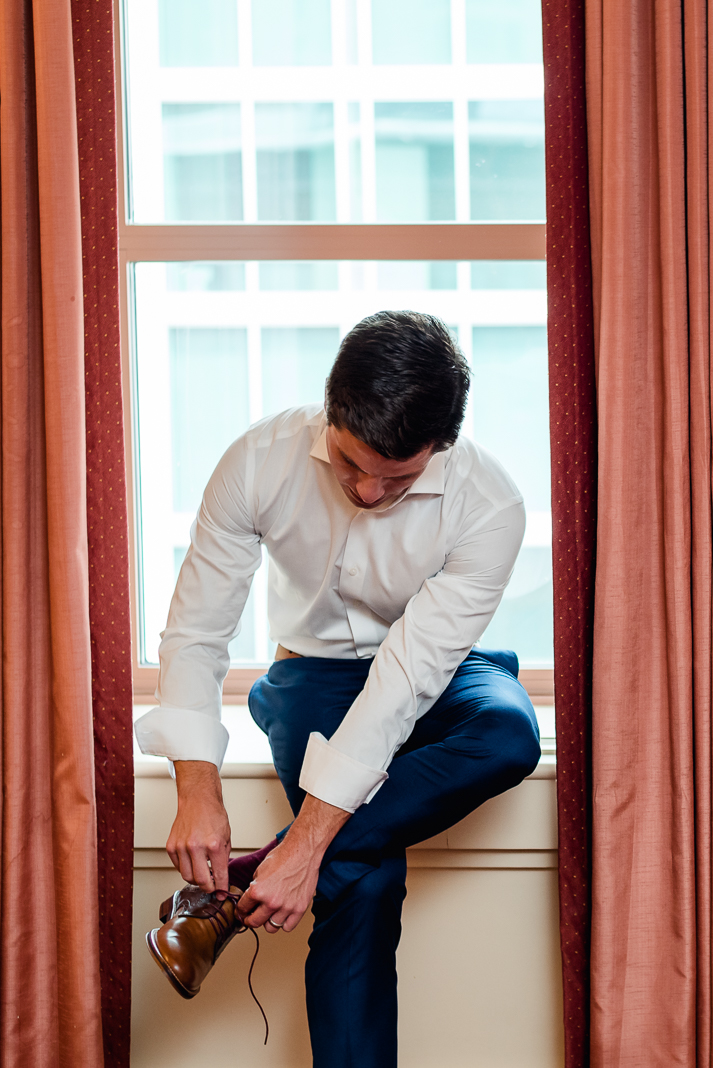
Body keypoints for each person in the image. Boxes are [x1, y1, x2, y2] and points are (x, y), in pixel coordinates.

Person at [136, 311, 541, 1067]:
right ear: (333, 412)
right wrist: (196, 788)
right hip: (311, 675)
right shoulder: (258, 459)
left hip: (438, 670)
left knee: (510, 734)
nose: (369, 490)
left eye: (400, 477)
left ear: (442, 446)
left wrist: (306, 846)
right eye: (355, 465)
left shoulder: (491, 504)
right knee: (361, 879)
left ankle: (236, 891)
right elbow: (196, 630)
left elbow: (407, 679)